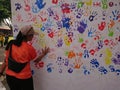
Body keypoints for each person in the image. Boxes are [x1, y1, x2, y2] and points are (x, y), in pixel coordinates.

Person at [0, 25, 49, 90]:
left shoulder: (11, 44)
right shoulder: (29, 48)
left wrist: (0, 72)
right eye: (32, 35)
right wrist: (43, 54)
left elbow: (6, 61)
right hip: (24, 79)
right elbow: (36, 60)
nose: (33, 37)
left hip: (10, 77)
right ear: (27, 36)